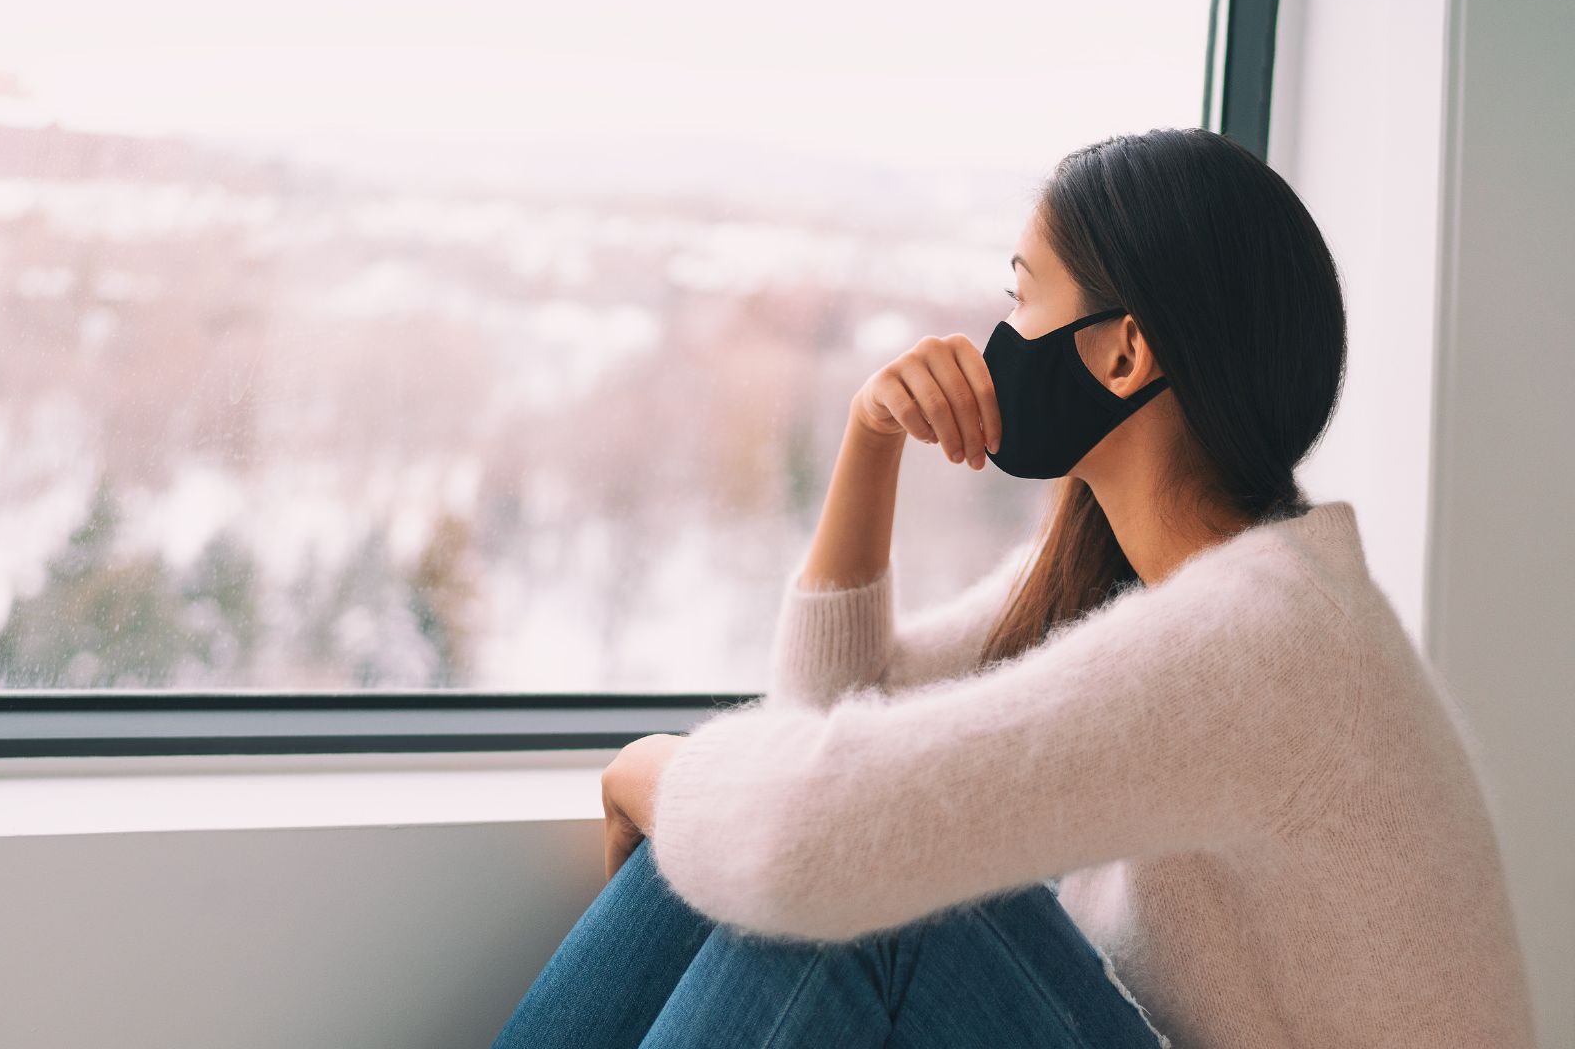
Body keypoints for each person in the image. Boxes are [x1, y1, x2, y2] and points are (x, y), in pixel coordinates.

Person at [493, 127, 1537, 1048]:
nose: (997, 341)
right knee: (793, 844)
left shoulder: (1267, 639)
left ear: (1124, 352)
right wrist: (870, 442)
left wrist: (650, 771)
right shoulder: (1138, 575)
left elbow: (807, 836)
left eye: (1022, 296)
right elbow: (827, 726)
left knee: (868, 884)